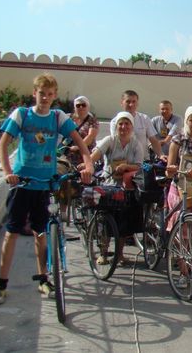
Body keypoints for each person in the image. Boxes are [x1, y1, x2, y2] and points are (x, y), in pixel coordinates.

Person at [0, 73, 93, 305]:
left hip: (45, 185)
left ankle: (43, 279)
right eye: (41, 93)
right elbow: (2, 146)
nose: (45, 98)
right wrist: (8, 173)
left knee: (41, 232)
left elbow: (81, 145)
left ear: (54, 96)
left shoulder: (57, 117)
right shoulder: (22, 115)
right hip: (23, 183)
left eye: (49, 94)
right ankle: (1, 284)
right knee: (12, 232)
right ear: (34, 93)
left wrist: (88, 166)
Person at [87, 111, 144, 264]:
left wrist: (126, 166)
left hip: (126, 187)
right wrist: (88, 165)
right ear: (116, 126)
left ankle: (119, 254)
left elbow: (139, 166)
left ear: (131, 127)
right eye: (121, 124)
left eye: (127, 124)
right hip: (108, 184)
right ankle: (103, 253)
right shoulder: (110, 140)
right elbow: (97, 154)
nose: (123, 127)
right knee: (104, 221)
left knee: (123, 223)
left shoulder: (135, 144)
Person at [110, 90, 163, 161]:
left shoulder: (145, 119)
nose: (131, 104)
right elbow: (116, 142)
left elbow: (153, 140)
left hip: (143, 161)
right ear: (122, 103)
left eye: (134, 102)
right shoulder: (115, 122)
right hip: (123, 161)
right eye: (128, 102)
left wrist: (161, 155)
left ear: (137, 103)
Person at [64, 95, 99, 167]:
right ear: (74, 107)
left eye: (83, 105)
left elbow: (90, 136)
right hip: (66, 154)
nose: (81, 107)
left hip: (83, 156)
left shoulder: (92, 121)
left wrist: (78, 147)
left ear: (88, 107)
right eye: (78, 105)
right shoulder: (67, 117)